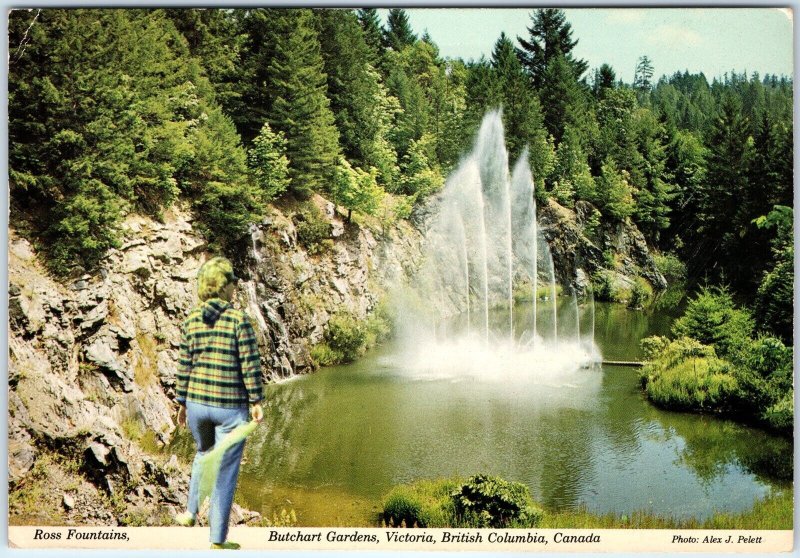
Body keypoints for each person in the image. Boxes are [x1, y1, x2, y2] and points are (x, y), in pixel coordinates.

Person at [173, 256, 264, 550]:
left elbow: (184, 365)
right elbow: (249, 364)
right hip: (228, 407)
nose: (235, 289)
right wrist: (256, 400)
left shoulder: (190, 321)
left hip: (198, 404)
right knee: (225, 470)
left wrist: (181, 402)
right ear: (223, 287)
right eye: (232, 284)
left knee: (203, 454)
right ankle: (216, 541)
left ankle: (189, 512)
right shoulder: (239, 321)